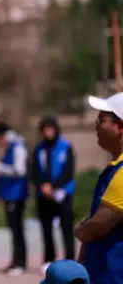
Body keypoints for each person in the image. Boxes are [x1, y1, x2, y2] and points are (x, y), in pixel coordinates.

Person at [75, 93, 123, 283]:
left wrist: (80, 230)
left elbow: (99, 225)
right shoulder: (114, 167)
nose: (96, 126)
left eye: (101, 120)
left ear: (120, 126)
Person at [33, 116, 76, 274]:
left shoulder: (66, 147)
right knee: (46, 230)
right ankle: (49, 260)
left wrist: (55, 186)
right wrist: (43, 185)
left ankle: (70, 260)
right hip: (43, 195)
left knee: (66, 229)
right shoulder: (39, 149)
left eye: (50, 128)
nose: (48, 132)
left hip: (63, 194)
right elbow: (35, 171)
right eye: (45, 129)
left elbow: (68, 171)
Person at [0, 122, 29, 277]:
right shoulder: (12, 146)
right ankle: (15, 260)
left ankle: (20, 262)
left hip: (16, 195)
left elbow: (20, 170)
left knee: (17, 230)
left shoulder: (17, 146)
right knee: (14, 230)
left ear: (2, 136)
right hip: (10, 195)